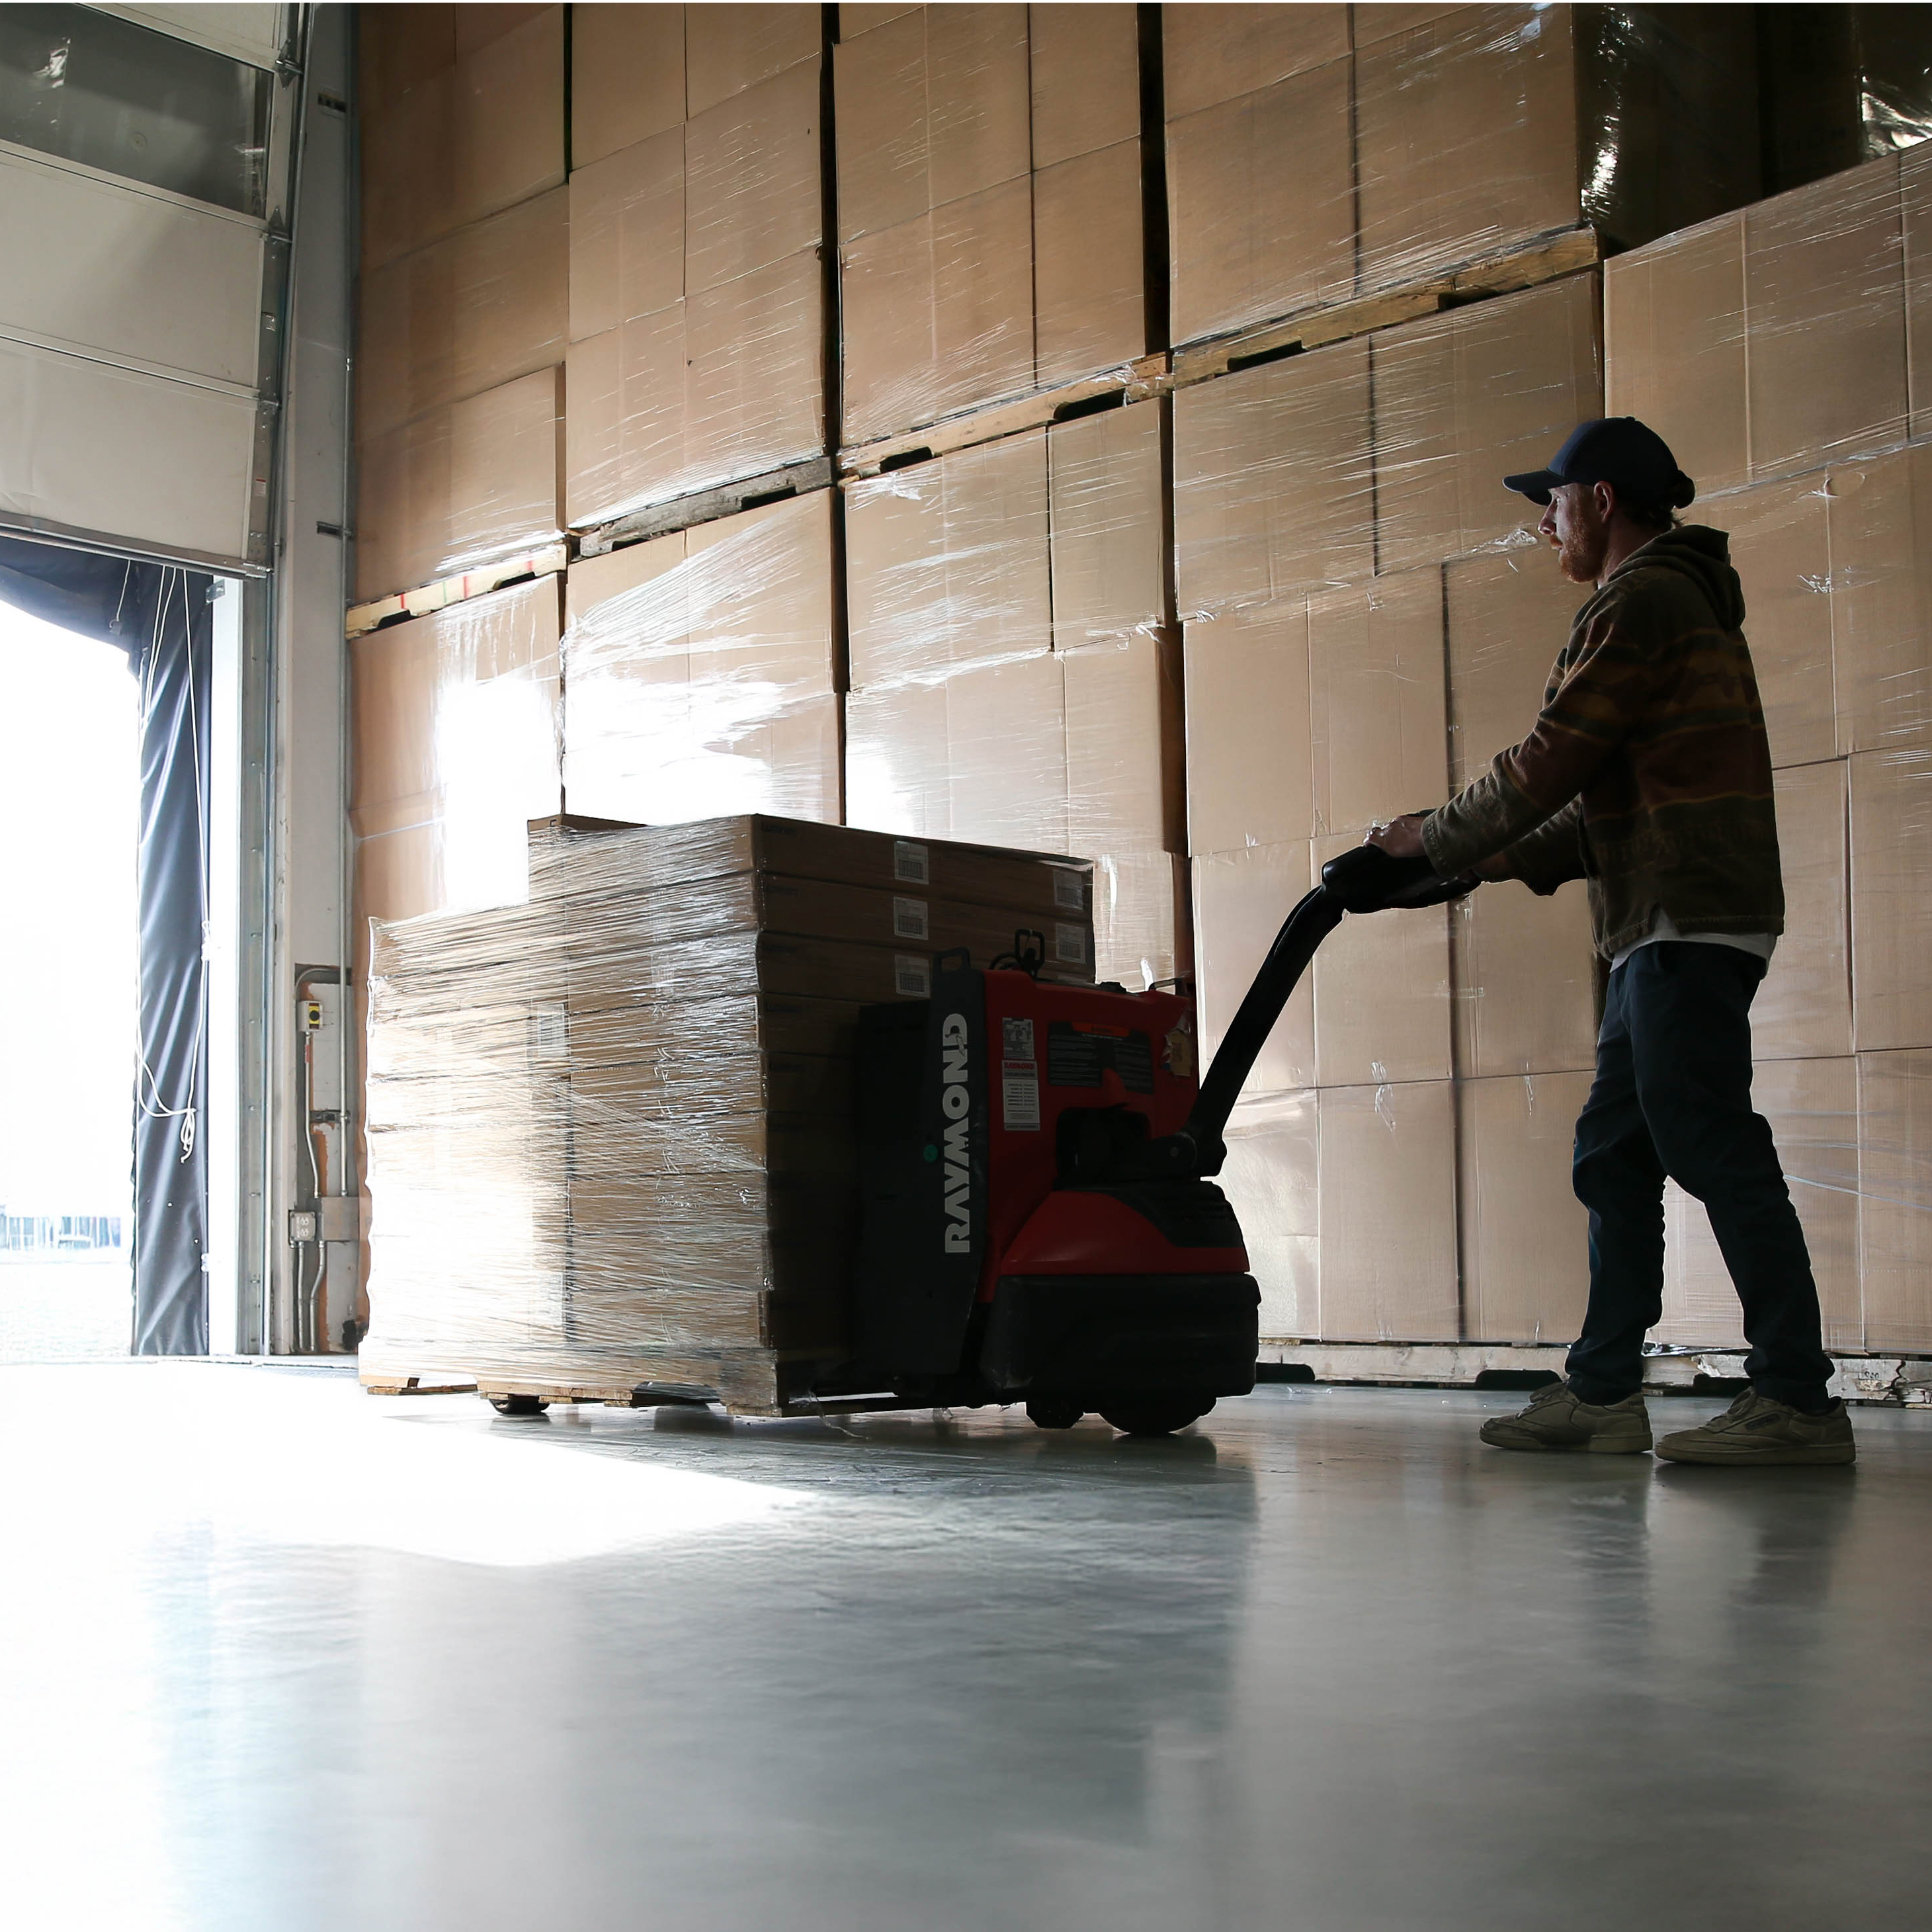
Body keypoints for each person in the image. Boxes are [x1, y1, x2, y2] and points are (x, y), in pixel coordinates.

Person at [1367, 417, 1854, 1466]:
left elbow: (1549, 759)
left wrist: (1432, 834)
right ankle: (1601, 1393)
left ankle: (1797, 1403)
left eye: (1550, 503)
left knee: (1708, 1141)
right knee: (1616, 1152)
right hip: (1663, 916)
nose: (1543, 526)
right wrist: (1467, 865)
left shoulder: (1636, 601)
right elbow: (1599, 804)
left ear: (1598, 499)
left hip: (1681, 915)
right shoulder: (1667, 604)